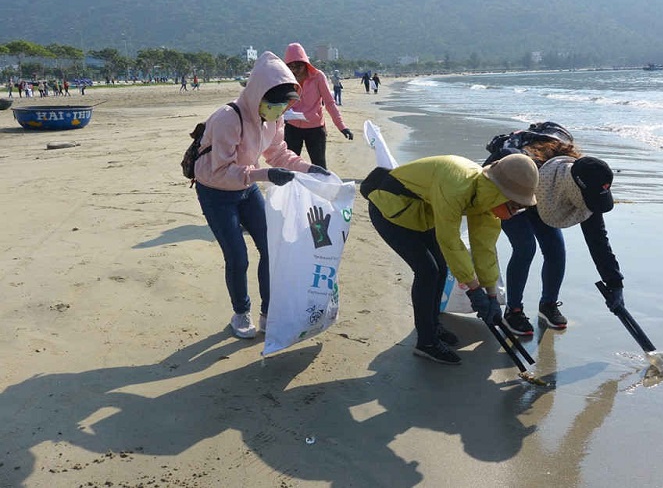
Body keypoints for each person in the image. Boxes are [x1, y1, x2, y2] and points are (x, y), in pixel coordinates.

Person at [192, 51, 331, 339]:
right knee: (237, 257)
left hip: (246, 187)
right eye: (276, 104)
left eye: (286, 105)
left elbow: (278, 153)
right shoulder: (227, 119)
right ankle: (240, 312)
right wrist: (264, 175)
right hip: (216, 192)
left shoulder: (273, 119)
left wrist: (308, 168)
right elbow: (221, 171)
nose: (281, 111)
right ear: (258, 94)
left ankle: (269, 312)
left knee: (271, 250)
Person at [363, 154, 539, 364]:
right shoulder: (457, 184)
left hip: (423, 212)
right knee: (427, 271)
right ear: (500, 193)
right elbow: (449, 240)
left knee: (442, 267)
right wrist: (474, 290)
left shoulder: (486, 198)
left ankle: (433, 325)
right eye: (514, 206)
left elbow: (484, 249)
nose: (513, 214)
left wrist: (491, 295)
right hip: (389, 205)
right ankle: (426, 343)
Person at [483, 122, 624, 336]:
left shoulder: (588, 184)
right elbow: (492, 177)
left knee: (556, 249)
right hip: (511, 192)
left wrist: (614, 282)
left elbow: (598, 239)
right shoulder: (525, 164)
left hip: (548, 198)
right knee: (525, 247)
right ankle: (514, 310)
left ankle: (548, 305)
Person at [282, 43, 353, 170]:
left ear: (305, 63)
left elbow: (330, 103)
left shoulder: (318, 77)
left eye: (298, 66)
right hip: (292, 128)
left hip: (315, 129)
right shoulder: (286, 78)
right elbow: (280, 102)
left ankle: (322, 189)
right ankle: (293, 190)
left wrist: (342, 126)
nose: (295, 70)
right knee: (289, 166)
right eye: (291, 66)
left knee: (319, 166)